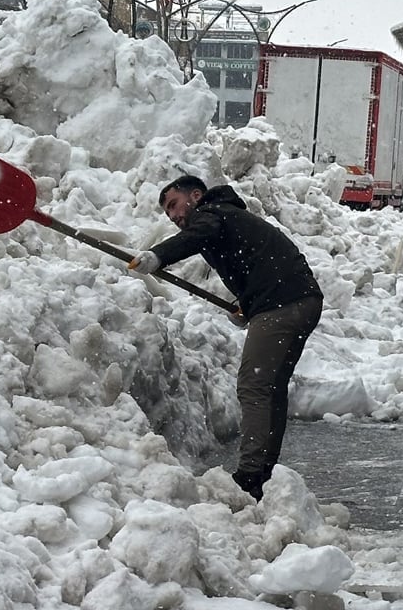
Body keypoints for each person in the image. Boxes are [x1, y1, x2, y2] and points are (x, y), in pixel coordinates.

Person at [128, 176, 324, 500]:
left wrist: (158, 255)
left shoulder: (213, 214)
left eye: (174, 205)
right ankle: (264, 472)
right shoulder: (226, 217)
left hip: (283, 303)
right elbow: (253, 263)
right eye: (168, 213)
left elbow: (196, 236)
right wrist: (247, 303)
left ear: (196, 195)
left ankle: (251, 475)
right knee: (270, 388)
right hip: (295, 299)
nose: (174, 216)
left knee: (254, 385)